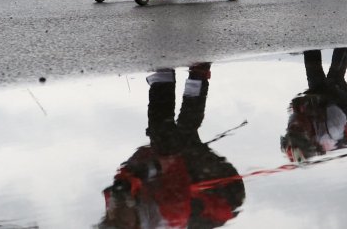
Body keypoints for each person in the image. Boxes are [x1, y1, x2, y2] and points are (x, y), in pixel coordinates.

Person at [98, 63, 245, 228]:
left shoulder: (117, 204)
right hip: (223, 191)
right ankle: (197, 76)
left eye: (108, 218)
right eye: (121, 222)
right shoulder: (169, 217)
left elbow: (135, 163)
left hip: (184, 187)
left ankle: (164, 78)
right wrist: (152, 167)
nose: (114, 213)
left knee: (163, 137)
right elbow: (171, 163)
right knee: (174, 140)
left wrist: (128, 180)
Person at [280, 48, 347, 163]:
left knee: (314, 81)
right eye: (299, 129)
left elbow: (300, 101)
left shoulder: (293, 124)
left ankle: (311, 46)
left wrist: (302, 103)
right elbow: (332, 100)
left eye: (292, 129)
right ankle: (342, 45)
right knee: (334, 81)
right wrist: (315, 106)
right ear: (310, 136)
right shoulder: (331, 131)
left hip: (326, 113)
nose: (296, 124)